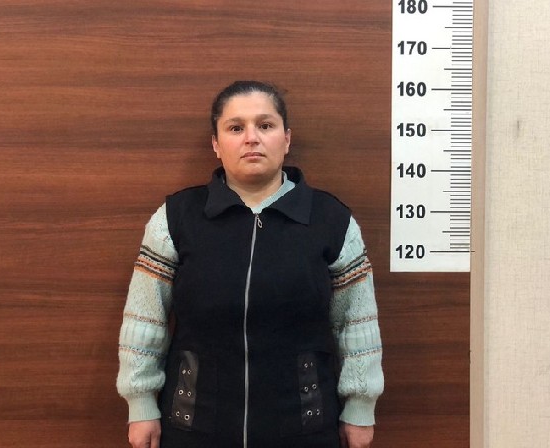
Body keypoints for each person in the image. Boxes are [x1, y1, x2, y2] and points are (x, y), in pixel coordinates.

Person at [117, 80, 384, 448]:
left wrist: (360, 407)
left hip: (304, 425)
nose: (251, 138)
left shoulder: (331, 220)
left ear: (286, 139)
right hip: (195, 423)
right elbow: (145, 318)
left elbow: (357, 322)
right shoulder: (176, 218)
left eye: (265, 125)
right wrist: (141, 403)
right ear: (216, 144)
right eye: (235, 128)